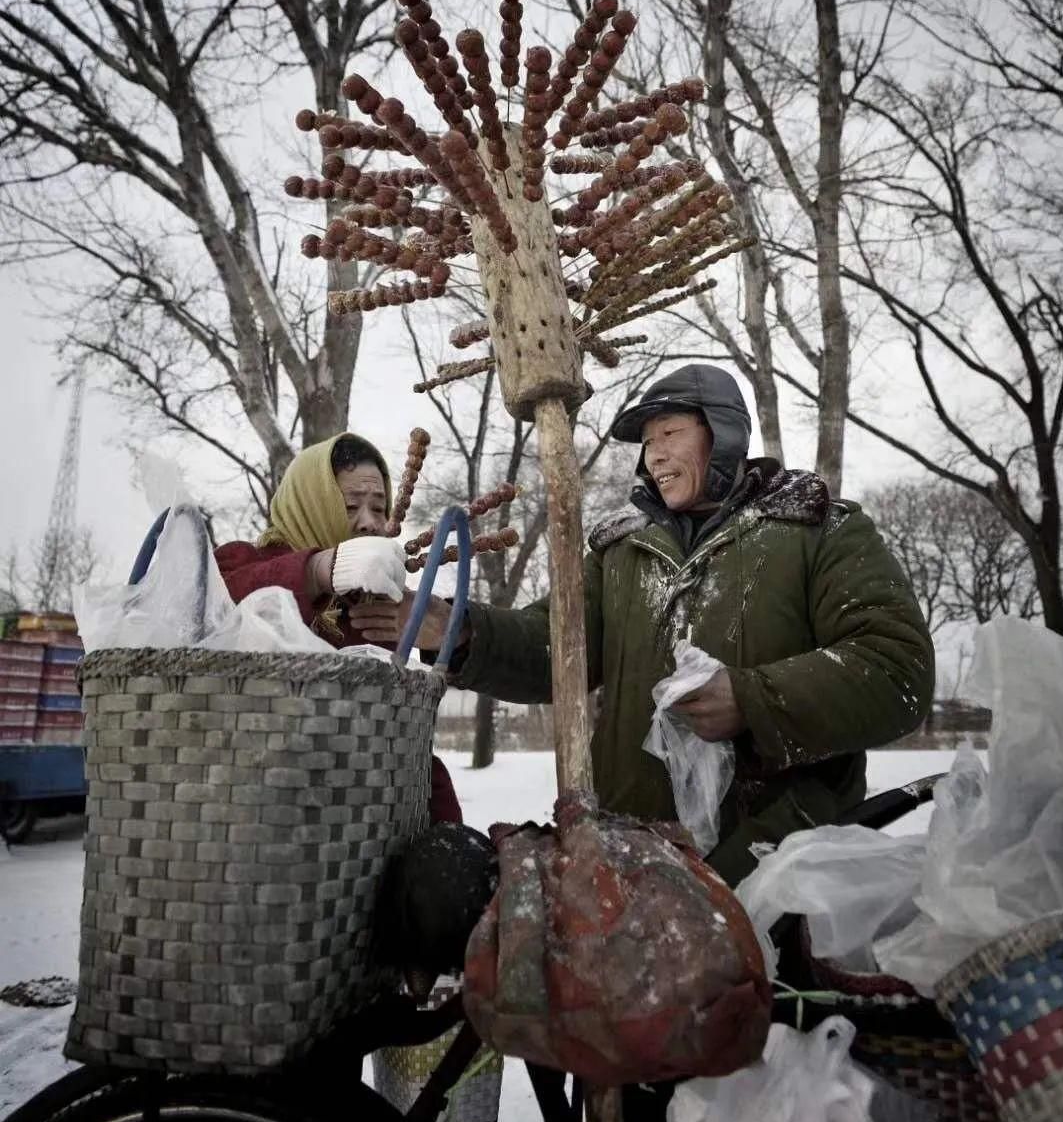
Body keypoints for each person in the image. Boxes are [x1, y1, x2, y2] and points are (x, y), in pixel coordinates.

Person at [357, 365, 934, 885]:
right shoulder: (619, 551)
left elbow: (896, 669)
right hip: (629, 857)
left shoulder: (819, 531)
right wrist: (460, 632)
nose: (654, 454)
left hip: (773, 865)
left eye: (671, 434)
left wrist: (752, 699)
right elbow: (555, 651)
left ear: (725, 435)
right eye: (647, 442)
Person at [215, 430, 461, 826]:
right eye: (350, 506)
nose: (369, 523)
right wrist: (317, 569)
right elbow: (218, 606)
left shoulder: (373, 609)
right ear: (310, 505)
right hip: (258, 812)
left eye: (379, 508)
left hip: (357, 824)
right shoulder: (242, 562)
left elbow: (406, 745)